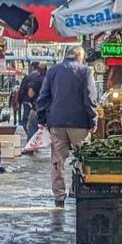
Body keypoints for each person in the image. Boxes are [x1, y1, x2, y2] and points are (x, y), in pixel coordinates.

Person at [37, 46, 97, 208]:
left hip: (56, 122)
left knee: (58, 160)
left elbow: (43, 97)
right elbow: (90, 98)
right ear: (79, 55)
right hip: (80, 123)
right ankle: (78, 189)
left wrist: (42, 118)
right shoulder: (85, 71)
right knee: (83, 158)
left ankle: (59, 196)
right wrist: (93, 119)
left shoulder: (53, 71)